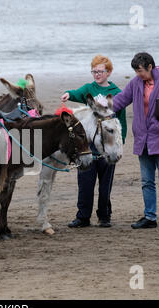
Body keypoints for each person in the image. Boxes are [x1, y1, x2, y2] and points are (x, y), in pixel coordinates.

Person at [113, 52, 159, 230]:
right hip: (143, 140)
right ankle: (150, 217)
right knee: (146, 181)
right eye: (136, 71)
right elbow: (120, 100)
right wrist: (101, 111)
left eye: (140, 71)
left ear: (150, 67)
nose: (138, 74)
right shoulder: (136, 82)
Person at [61, 54, 127, 228]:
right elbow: (77, 93)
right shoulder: (88, 88)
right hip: (88, 147)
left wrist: (121, 142)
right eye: (94, 71)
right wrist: (69, 94)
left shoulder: (117, 93)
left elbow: (121, 121)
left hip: (108, 147)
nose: (97, 74)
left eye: (100, 71)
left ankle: (104, 216)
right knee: (85, 184)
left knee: (105, 185)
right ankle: (83, 217)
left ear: (109, 72)